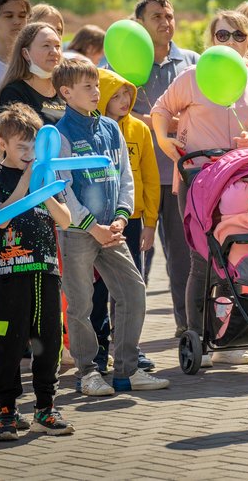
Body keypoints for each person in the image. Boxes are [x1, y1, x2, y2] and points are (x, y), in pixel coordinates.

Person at [151, 10, 248, 362]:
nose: (231, 42)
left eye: (238, 36)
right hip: (197, 181)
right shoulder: (192, 77)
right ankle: (198, 338)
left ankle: (228, 337)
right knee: (201, 259)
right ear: (211, 40)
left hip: (240, 185)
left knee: (235, 257)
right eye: (222, 36)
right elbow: (162, 110)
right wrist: (165, 141)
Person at [53, 58, 170, 394]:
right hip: (79, 232)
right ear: (65, 92)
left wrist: (121, 216)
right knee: (81, 305)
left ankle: (126, 370)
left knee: (133, 293)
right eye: (87, 87)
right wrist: (92, 226)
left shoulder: (110, 128)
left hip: (112, 229)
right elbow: (63, 189)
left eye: (95, 85)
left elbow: (124, 177)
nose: (95, 92)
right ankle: (87, 372)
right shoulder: (60, 135)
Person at [0, 103, 74, 439]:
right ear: (2, 143)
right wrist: (27, 185)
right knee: (8, 342)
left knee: (48, 341)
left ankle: (46, 407)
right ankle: (5, 410)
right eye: (21, 147)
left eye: (33, 147)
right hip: (9, 275)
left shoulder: (46, 176)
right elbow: (0, 218)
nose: (29, 154)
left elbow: (66, 220)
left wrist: (44, 190)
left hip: (46, 273)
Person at [131, 0, 199, 338]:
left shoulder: (192, 63)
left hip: (179, 176)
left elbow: (201, 112)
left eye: (169, 15)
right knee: (133, 262)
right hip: (136, 179)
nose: (165, 22)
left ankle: (188, 326)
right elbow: (116, 113)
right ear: (140, 23)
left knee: (183, 259)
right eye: (156, 16)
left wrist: (160, 121)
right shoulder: (125, 63)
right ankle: (127, 333)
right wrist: (161, 122)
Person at [93, 67, 160, 372]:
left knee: (130, 289)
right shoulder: (92, 131)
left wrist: (150, 222)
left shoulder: (140, 130)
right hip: (98, 224)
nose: (123, 100)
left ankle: (128, 346)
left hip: (131, 222)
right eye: (116, 95)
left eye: (127, 95)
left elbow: (150, 178)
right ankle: (98, 350)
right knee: (98, 291)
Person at [0, 23, 67, 125]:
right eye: (46, 45)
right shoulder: (13, 94)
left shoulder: (66, 89)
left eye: (57, 46)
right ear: (25, 54)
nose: (54, 52)